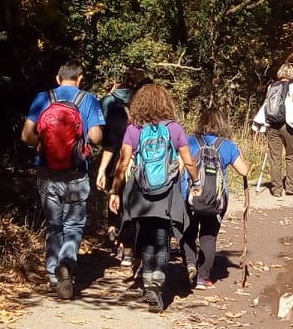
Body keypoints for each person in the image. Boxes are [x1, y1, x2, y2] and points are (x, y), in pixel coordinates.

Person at [108, 83, 199, 313]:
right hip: (166, 194)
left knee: (146, 237)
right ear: (166, 103)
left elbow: (123, 163)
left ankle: (149, 282)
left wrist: (115, 191)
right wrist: (196, 182)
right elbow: (188, 160)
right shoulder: (174, 128)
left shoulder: (133, 129)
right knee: (162, 237)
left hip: (141, 194)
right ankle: (157, 283)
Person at [21, 60, 105, 299]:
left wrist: (43, 146)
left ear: (58, 79)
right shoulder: (87, 99)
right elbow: (96, 137)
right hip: (76, 172)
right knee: (74, 225)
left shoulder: (42, 97)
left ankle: (52, 275)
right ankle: (67, 263)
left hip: (47, 171)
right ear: (80, 78)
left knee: (54, 225)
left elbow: (26, 135)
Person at [181, 107, 250, 290]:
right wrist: (243, 157)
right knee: (209, 236)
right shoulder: (227, 145)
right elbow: (243, 170)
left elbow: (179, 168)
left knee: (188, 232)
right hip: (216, 200)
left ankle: (189, 264)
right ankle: (203, 278)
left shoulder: (189, 141)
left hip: (190, 196)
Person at [95, 67, 148, 267]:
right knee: (131, 201)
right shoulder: (141, 104)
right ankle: (129, 247)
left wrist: (101, 168)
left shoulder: (109, 101)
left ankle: (113, 233)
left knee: (114, 194)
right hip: (136, 158)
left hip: (114, 154)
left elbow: (106, 135)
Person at [265, 63, 293, 196]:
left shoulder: (271, 86)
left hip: (272, 124)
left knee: (275, 157)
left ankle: (277, 189)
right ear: (291, 74)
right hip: (288, 125)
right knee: (291, 156)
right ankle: (291, 187)